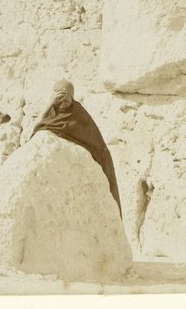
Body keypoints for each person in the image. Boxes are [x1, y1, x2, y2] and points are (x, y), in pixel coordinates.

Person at [32, 80, 121, 213]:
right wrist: (50, 104)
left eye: (66, 99)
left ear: (72, 99)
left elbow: (93, 142)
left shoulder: (77, 113)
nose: (62, 103)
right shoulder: (52, 112)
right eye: (59, 99)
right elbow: (37, 127)